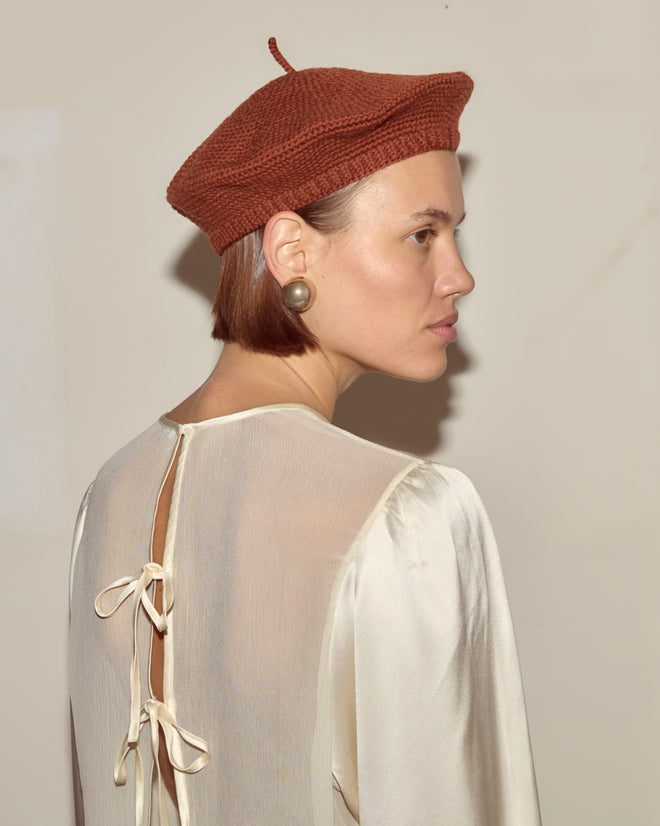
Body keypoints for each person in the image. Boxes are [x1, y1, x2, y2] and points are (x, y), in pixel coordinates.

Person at [69, 38, 542, 826]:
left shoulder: (108, 496)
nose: (460, 275)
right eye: (423, 234)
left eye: (454, 234)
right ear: (293, 250)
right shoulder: (405, 514)